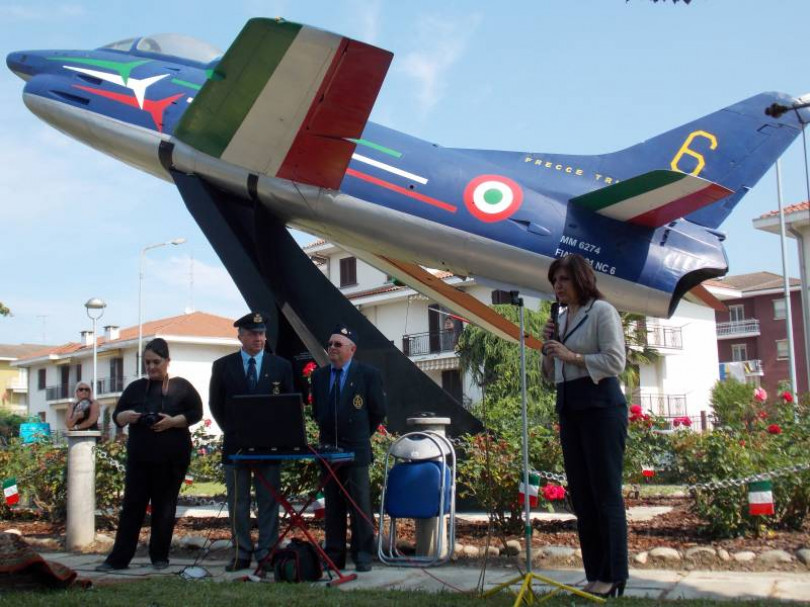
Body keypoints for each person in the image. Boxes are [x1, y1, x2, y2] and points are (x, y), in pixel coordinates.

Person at [540, 254, 628, 598]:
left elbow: (615, 360)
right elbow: (550, 374)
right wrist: (549, 350)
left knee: (605, 493)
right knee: (582, 495)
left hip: (601, 406)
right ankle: (594, 574)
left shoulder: (601, 312)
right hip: (570, 405)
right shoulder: (561, 318)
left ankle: (614, 574)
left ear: (581, 280)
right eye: (555, 281)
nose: (558, 287)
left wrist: (572, 356)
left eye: (563, 280)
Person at [96, 338, 202, 571]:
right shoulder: (135, 388)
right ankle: (118, 559)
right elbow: (117, 416)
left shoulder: (182, 387)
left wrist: (174, 421)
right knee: (132, 506)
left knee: (165, 508)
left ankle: (160, 557)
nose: (152, 367)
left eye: (156, 362)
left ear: (167, 361)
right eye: (147, 363)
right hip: (140, 459)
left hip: (172, 459)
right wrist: (125, 417)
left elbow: (196, 412)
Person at [209, 312, 294, 572]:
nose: (259, 338)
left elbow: (288, 405)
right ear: (241, 336)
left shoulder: (281, 366)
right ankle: (240, 553)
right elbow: (216, 404)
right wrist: (237, 432)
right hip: (237, 446)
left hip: (269, 447)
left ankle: (267, 552)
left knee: (268, 502)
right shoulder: (223, 366)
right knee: (239, 502)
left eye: (262, 333)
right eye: (253, 334)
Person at [311, 324, 386, 572]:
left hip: (355, 450)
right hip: (328, 452)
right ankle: (334, 554)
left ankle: (363, 554)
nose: (331, 348)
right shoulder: (319, 376)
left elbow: (377, 411)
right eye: (330, 344)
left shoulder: (368, 374)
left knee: (359, 505)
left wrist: (360, 435)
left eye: (338, 344)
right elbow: (317, 412)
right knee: (333, 505)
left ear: (351, 349)